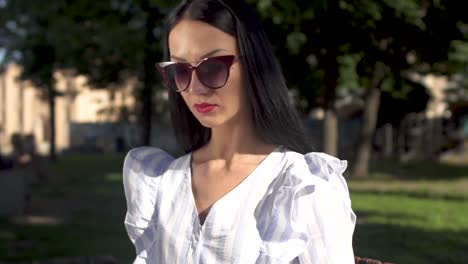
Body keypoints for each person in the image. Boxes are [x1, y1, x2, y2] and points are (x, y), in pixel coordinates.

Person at [123, 0, 356, 263]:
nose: (196, 88)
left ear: (254, 64)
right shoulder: (160, 182)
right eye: (180, 70)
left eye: (213, 66)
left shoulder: (304, 186)